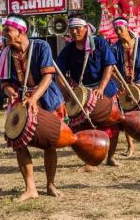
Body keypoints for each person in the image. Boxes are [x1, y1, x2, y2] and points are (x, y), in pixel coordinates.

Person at [0, 14, 66, 202]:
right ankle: (30, 188)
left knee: (50, 143)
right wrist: (11, 93)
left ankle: (50, 184)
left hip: (45, 98)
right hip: (20, 100)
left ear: (20, 32)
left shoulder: (41, 46)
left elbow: (48, 76)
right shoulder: (5, 53)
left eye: (8, 30)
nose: (5, 34)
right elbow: (5, 83)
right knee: (18, 145)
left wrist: (35, 98)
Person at [57, 14, 120, 168]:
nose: (74, 32)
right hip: (82, 94)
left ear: (86, 28)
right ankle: (90, 161)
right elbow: (57, 72)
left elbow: (109, 66)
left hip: (103, 90)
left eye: (78, 28)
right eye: (71, 29)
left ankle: (110, 157)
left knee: (112, 125)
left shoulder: (99, 43)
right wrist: (65, 90)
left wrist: (101, 88)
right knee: (85, 128)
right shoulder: (69, 49)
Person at [111, 17, 140, 157]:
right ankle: (130, 146)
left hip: (139, 80)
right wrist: (120, 82)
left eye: (120, 29)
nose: (118, 32)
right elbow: (111, 69)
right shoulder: (115, 47)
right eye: (115, 29)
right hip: (123, 84)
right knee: (126, 115)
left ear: (127, 28)